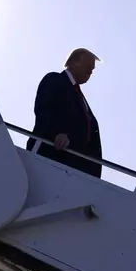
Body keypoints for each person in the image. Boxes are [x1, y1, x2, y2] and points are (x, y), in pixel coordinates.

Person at [26, 48, 103, 178]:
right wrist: (56, 133)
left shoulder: (80, 97)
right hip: (53, 157)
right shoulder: (55, 80)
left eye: (92, 70)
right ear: (73, 62)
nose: (90, 72)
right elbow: (43, 108)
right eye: (88, 67)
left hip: (77, 170)